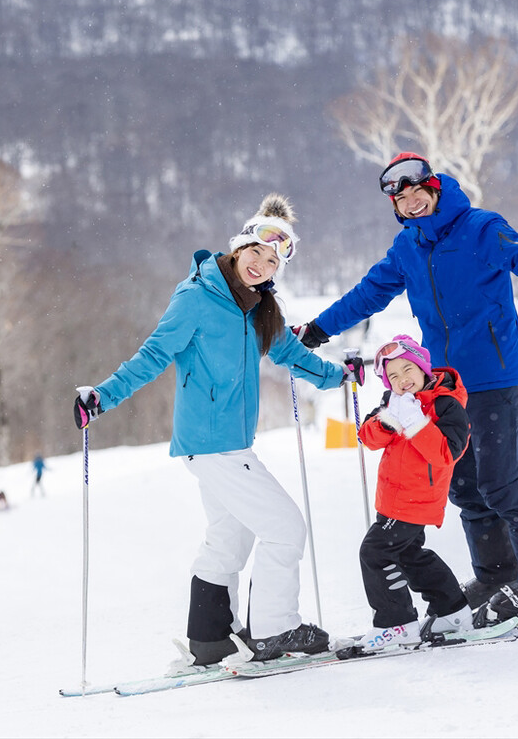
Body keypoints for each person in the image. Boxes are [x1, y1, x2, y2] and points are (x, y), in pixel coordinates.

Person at [294, 152, 518, 626]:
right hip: (445, 388)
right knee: (468, 488)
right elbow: (368, 293)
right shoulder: (407, 248)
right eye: (401, 200)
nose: (411, 204)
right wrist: (318, 329)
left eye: (416, 193)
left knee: (503, 484)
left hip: (493, 376)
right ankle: (498, 575)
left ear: (433, 188)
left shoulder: (482, 228)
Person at [73, 194, 365, 665]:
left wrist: (341, 376)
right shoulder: (197, 297)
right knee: (285, 528)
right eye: (257, 252)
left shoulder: (259, 307)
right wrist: (103, 396)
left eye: (273, 261)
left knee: (232, 536)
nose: (262, 264)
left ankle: (209, 637)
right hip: (212, 444)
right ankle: (275, 629)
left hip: (226, 444)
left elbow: (293, 355)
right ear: (238, 246)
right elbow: (154, 355)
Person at [354, 334, 473, 651]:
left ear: (423, 368)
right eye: (393, 375)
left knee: (375, 553)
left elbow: (446, 453)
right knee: (410, 556)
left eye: (407, 369)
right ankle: (453, 611)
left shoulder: (445, 405)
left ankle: (397, 623)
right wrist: (389, 420)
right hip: (394, 499)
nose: (401, 380)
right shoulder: (392, 402)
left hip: (414, 501)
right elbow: (367, 437)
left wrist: (416, 421)